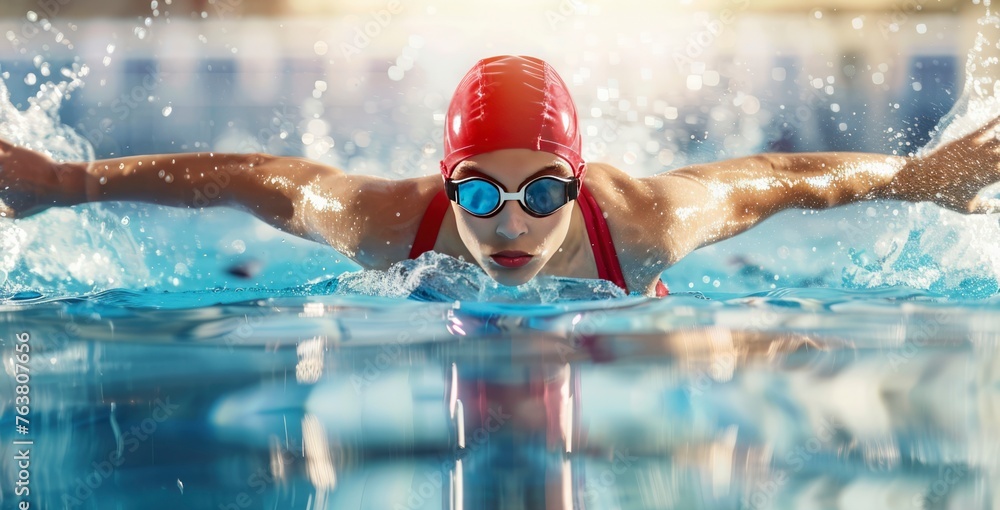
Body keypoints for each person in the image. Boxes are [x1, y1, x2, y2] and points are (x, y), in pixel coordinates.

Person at [2, 55, 999, 296]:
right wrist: (63, 185)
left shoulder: (644, 224)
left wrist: (917, 179)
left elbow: (786, 178)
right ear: (446, 181)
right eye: (477, 190)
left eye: (541, 191)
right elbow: (248, 176)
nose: (506, 221)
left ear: (577, 185)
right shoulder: (389, 223)